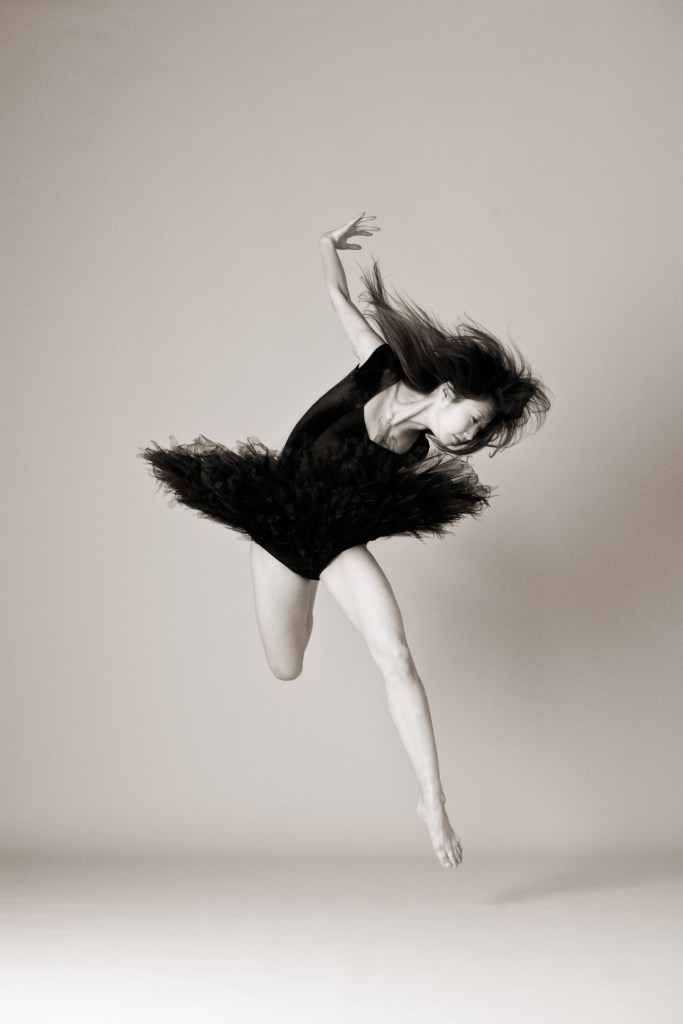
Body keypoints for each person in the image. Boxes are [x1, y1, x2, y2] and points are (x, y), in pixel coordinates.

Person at [139, 213, 550, 868]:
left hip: (337, 540)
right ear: (447, 392)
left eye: (478, 436)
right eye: (472, 421)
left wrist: (434, 799)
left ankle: (432, 801)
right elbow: (339, 297)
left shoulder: (416, 450)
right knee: (287, 664)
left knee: (396, 654)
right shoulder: (379, 368)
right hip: (279, 529)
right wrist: (326, 244)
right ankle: (297, 599)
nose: (468, 439)